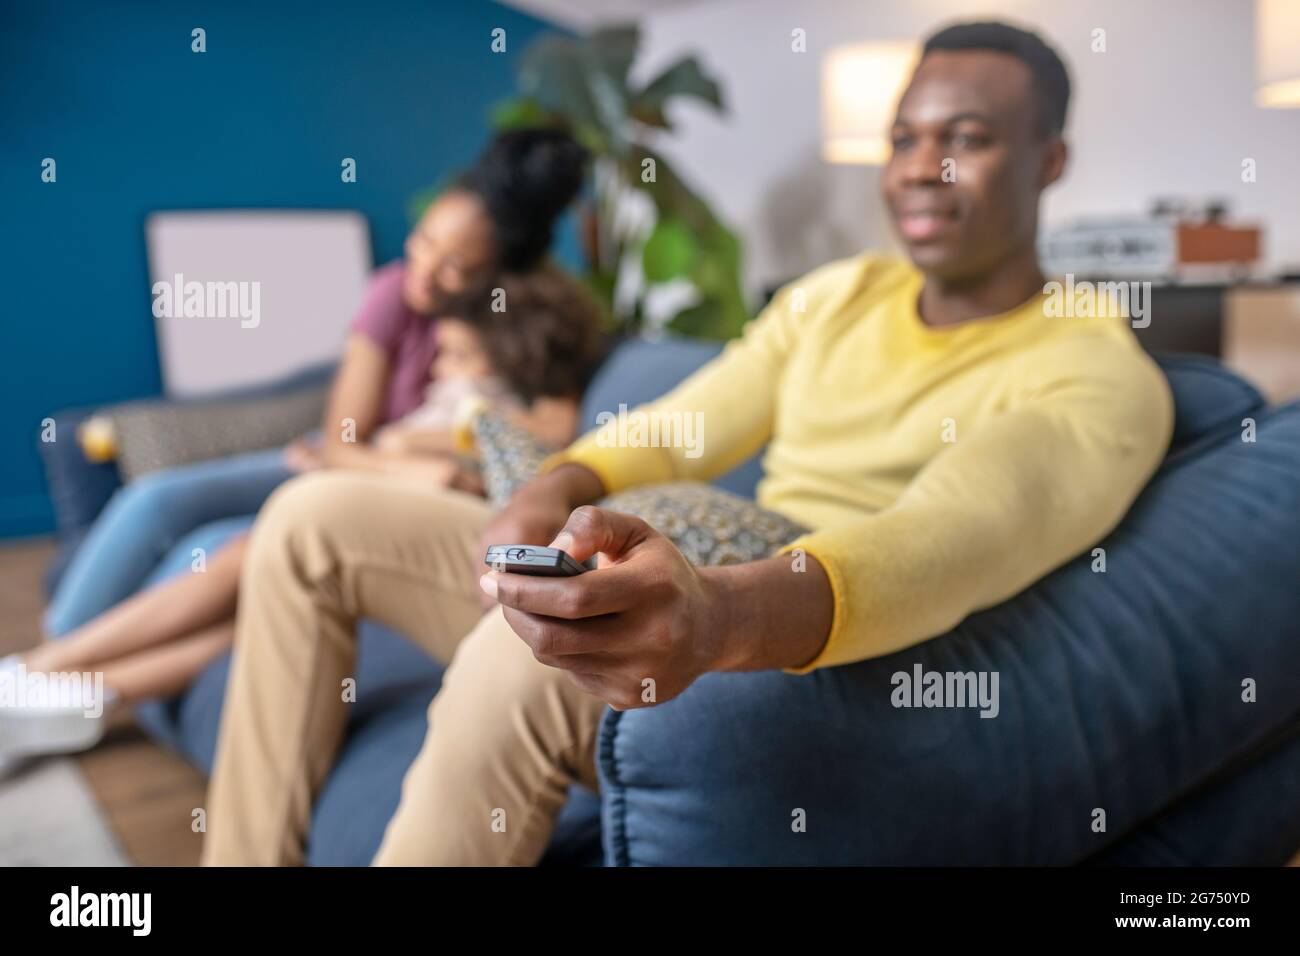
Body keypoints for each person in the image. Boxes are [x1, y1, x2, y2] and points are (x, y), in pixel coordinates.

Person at [200, 21, 1174, 866]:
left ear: (1049, 159)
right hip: (696, 610)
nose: (922, 166)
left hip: (812, 653)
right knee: (309, 516)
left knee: (520, 649)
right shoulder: (838, 296)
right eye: (905, 138)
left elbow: (954, 537)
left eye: (966, 140)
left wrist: (716, 618)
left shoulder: (1094, 365)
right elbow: (679, 426)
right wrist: (554, 485)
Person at [4, 143, 606, 762]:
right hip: (341, 458)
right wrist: (416, 462)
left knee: (245, 564)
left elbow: (554, 430)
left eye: (456, 267)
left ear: (499, 274)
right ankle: (43, 664)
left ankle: (66, 694)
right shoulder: (396, 293)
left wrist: (448, 450)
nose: (425, 274)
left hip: (382, 486)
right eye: (422, 244)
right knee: (157, 498)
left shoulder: (521, 325)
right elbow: (343, 438)